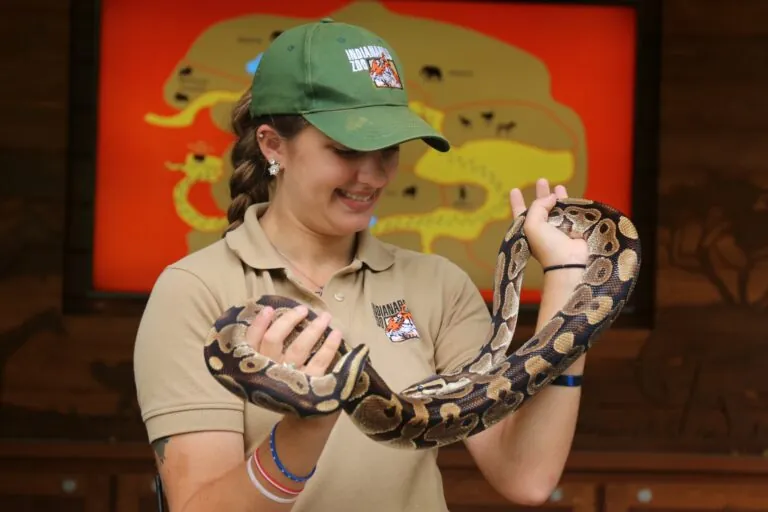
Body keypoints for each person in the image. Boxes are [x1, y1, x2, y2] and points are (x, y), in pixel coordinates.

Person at [133, 18, 589, 512]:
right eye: (346, 150)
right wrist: (307, 417)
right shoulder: (196, 290)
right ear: (272, 144)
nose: (372, 176)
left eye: (387, 150)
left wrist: (571, 289)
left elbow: (526, 477)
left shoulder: (438, 286)